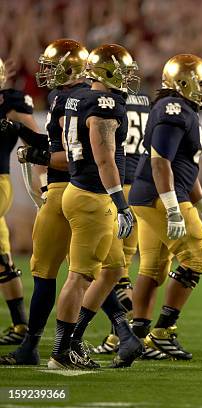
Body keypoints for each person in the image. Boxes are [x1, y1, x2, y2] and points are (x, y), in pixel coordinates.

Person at [48, 43, 143, 369]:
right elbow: (104, 158)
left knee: (114, 269)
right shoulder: (105, 105)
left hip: (85, 191)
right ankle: (61, 352)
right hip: (93, 197)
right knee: (79, 277)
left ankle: (74, 340)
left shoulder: (77, 97)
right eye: (124, 71)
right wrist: (122, 203)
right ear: (109, 72)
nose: (129, 78)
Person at [129, 54, 202, 360]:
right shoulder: (174, 109)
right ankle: (162, 332)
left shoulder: (185, 111)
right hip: (159, 196)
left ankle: (136, 336)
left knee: (153, 269)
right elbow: (160, 162)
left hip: (155, 195)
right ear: (183, 82)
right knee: (198, 259)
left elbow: (186, 170)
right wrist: (172, 207)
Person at [0, 39, 89, 365]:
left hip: (75, 192)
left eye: (53, 66)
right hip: (64, 192)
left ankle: (115, 332)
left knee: (85, 272)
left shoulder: (78, 102)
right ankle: (32, 345)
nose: (46, 73)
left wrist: (39, 155)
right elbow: (55, 146)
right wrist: (17, 131)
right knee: (52, 271)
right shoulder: (61, 97)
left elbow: (76, 157)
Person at [91, 92, 168, 360]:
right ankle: (121, 335)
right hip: (140, 188)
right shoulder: (149, 104)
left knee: (114, 271)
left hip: (117, 188)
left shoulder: (109, 104)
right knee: (124, 269)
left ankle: (131, 336)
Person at [0, 57, 42, 345]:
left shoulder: (11, 101)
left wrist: (43, 183)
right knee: (3, 259)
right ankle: (20, 326)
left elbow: (38, 143)